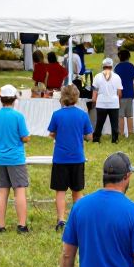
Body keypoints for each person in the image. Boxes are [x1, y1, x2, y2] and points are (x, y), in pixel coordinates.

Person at [48, 85, 93, 230]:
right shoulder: (83, 115)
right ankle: (78, 219)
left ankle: (61, 220)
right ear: (77, 97)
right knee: (77, 191)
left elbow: (52, 133)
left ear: (62, 97)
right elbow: (89, 136)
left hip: (60, 158)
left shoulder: (57, 115)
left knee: (60, 191)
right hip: (77, 158)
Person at [0, 84, 30, 233]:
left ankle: (1, 226)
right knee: (19, 191)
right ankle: (22, 225)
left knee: (1, 192)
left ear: (0, 99)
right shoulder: (18, 116)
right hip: (16, 158)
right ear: (14, 99)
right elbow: (25, 137)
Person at [91, 57, 122, 144]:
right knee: (114, 124)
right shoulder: (117, 77)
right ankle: (115, 140)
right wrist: (118, 102)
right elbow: (119, 92)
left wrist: (94, 101)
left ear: (103, 66)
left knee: (99, 123)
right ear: (112, 66)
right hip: (113, 103)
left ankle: (96, 139)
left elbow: (95, 91)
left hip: (101, 103)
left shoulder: (97, 76)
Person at [113, 49, 134, 138]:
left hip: (120, 94)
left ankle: (121, 133)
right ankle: (131, 133)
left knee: (121, 115)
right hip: (130, 93)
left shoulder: (117, 67)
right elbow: (133, 77)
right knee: (129, 115)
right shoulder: (131, 66)